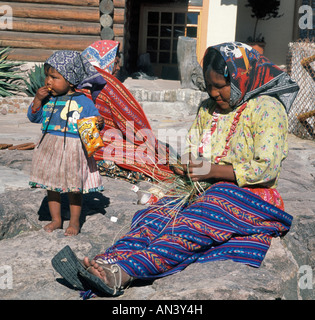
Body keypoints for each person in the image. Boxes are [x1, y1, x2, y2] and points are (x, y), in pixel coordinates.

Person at [52, 42, 299, 296]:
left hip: (249, 196)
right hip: (202, 188)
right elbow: (194, 147)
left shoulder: (267, 109)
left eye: (220, 86)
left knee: (188, 226)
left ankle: (122, 273)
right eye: (209, 86)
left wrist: (212, 171)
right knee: (156, 216)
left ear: (241, 78)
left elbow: (267, 169)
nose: (214, 93)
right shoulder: (208, 109)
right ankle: (104, 263)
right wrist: (187, 166)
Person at [27, 50, 106, 236]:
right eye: (47, 76)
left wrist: (98, 122)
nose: (48, 81)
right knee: (51, 186)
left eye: (54, 77)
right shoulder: (47, 100)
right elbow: (33, 117)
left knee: (73, 188)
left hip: (72, 149)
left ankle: (75, 222)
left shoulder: (83, 102)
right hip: (49, 147)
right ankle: (56, 220)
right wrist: (37, 99)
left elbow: (93, 125)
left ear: (70, 80)